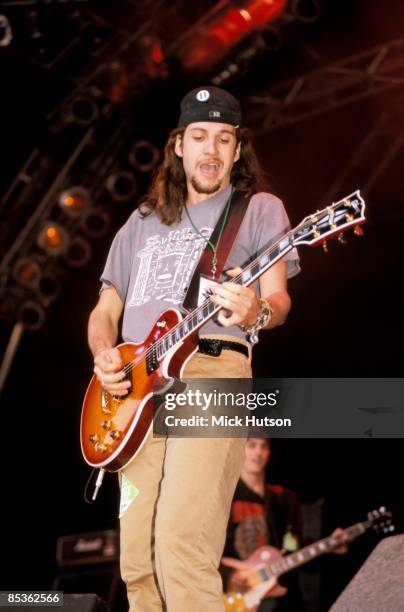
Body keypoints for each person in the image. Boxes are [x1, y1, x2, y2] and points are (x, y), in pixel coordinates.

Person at [87, 86, 300, 611]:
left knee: (182, 545)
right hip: (136, 393)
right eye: (199, 137)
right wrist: (103, 353)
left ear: (236, 149)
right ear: (178, 145)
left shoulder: (258, 208)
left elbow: (278, 299)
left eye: (223, 139)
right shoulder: (140, 221)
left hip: (213, 371)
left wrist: (258, 312)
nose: (211, 150)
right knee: (138, 562)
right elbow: (105, 311)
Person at [222, 438, 349, 612]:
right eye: (251, 445)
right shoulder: (224, 498)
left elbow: (292, 547)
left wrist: (328, 547)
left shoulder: (284, 498)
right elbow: (204, 552)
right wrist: (230, 575)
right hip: (235, 597)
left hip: (281, 598)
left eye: (263, 446)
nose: (258, 452)